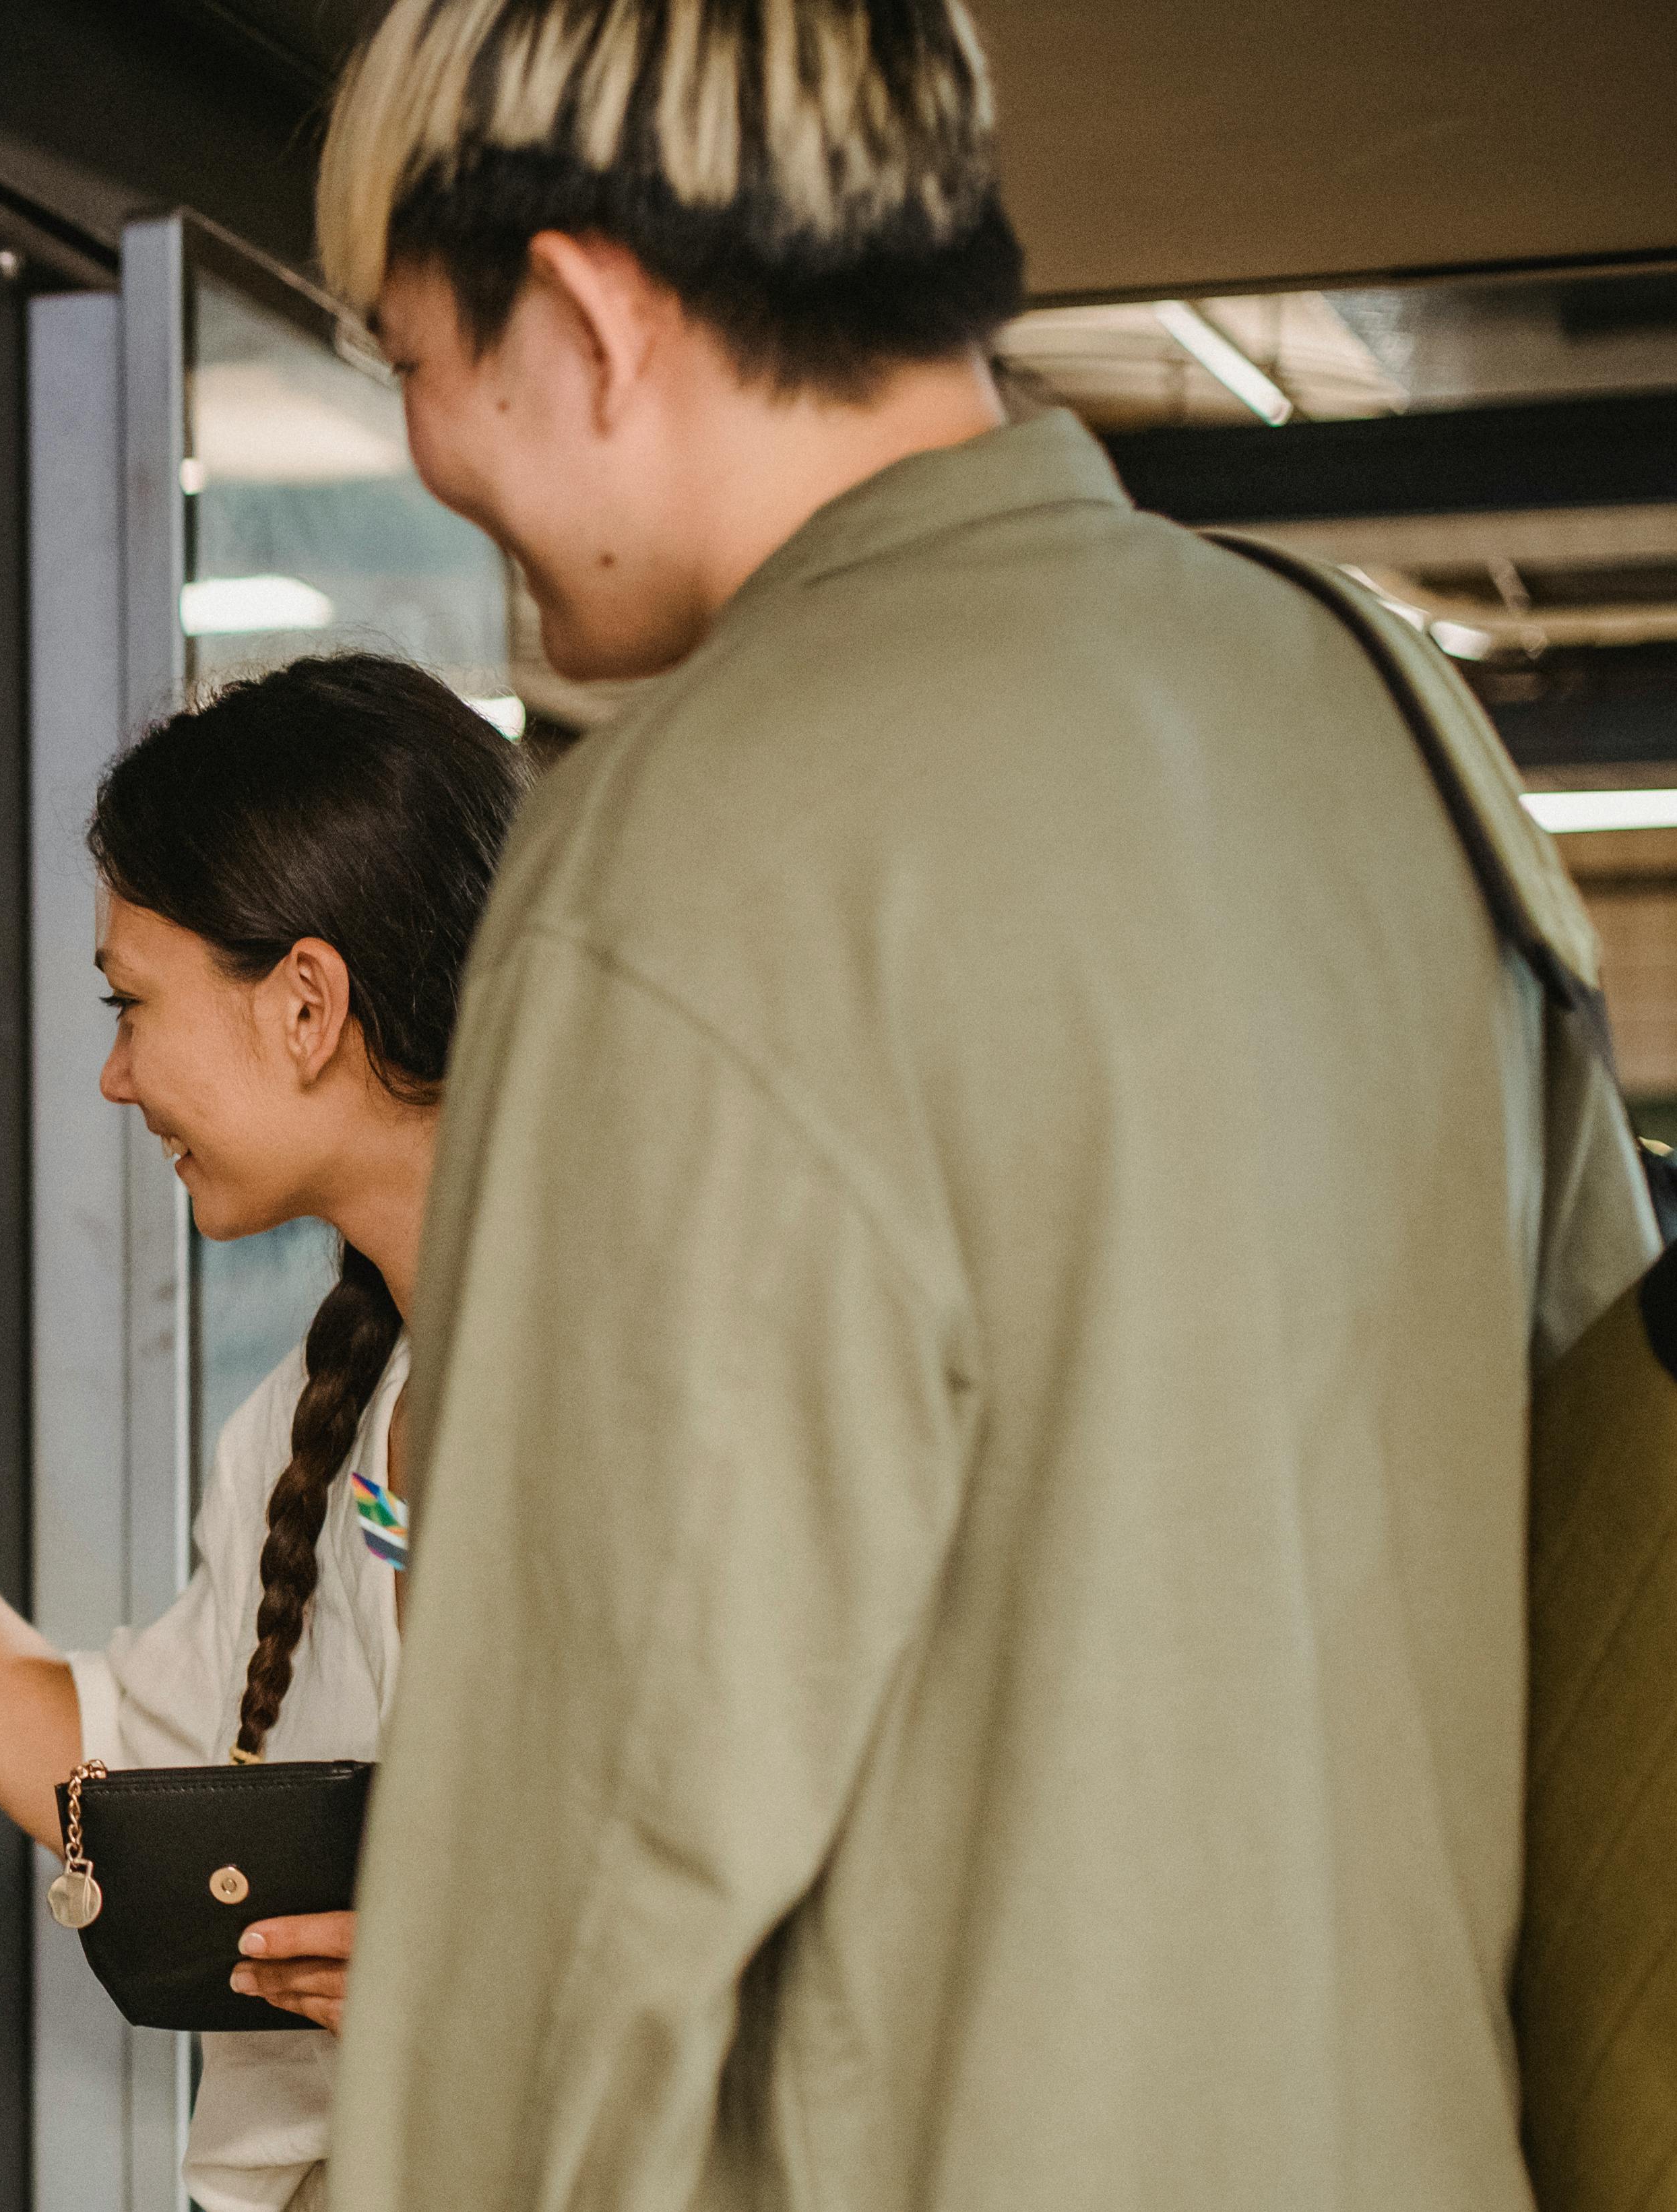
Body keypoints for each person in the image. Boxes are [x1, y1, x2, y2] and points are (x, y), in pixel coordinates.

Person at [309, 4, 1656, 2211]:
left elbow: (561, 1911)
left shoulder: (696, 846)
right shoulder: (1379, 720)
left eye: (408, 362)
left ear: (579, 314)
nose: (434, 456)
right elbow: (1591, 1579)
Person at [0, 654, 526, 2212]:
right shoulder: (316, 1430)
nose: (115, 1075)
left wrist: (485, 1983)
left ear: (305, 1005)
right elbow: (108, 1780)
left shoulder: (654, 1391)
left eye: (132, 1003)